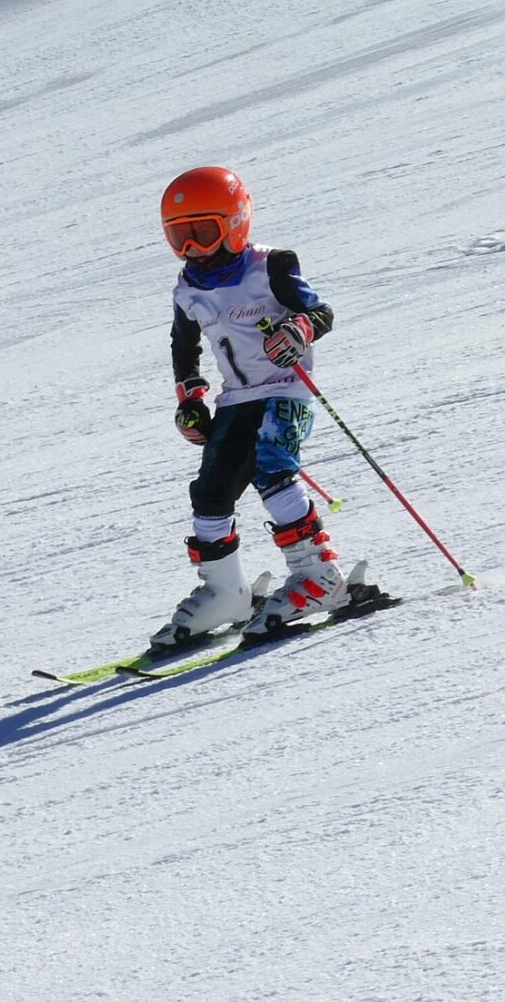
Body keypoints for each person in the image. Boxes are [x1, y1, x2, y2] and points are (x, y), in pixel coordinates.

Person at [151, 166, 352, 651]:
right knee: (211, 490)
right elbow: (184, 347)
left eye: (204, 233)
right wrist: (191, 399)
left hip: (286, 388)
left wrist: (298, 331)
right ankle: (226, 593)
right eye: (181, 237)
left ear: (236, 222)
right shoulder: (188, 287)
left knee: (272, 469)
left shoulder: (272, 266)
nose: (193, 249)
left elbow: (319, 312)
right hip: (234, 399)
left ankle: (320, 577)